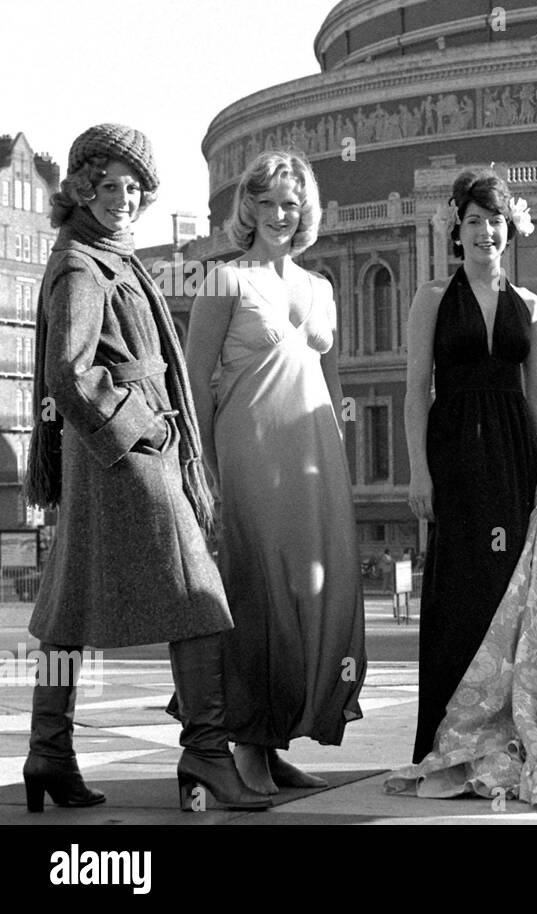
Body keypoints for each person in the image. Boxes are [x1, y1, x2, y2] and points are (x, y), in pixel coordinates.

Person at [23, 124, 269, 812]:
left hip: (108, 457)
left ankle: (48, 753)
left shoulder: (110, 258)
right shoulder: (84, 266)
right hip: (130, 452)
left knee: (67, 611)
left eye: (135, 189)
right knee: (199, 599)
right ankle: (208, 755)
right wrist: (143, 430)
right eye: (110, 187)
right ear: (81, 189)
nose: (125, 200)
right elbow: (68, 375)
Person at [386, 169, 537, 810]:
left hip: (513, 455)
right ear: (456, 229)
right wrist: (418, 472)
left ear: (511, 230)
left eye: (497, 222)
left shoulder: (529, 304)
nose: (487, 232)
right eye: (476, 221)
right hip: (454, 455)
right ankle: (452, 740)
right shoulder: (431, 298)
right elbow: (413, 391)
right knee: (462, 590)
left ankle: (507, 739)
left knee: (513, 590)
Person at [186, 150, 366, 795]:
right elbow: (194, 382)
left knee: (313, 592)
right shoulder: (223, 281)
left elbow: (333, 377)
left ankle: (278, 737)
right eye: (269, 203)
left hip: (315, 461)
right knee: (257, 594)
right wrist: (201, 470)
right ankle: (248, 748)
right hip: (249, 456)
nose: (282, 215)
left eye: (293, 204)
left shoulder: (320, 288)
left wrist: (340, 456)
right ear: (250, 208)